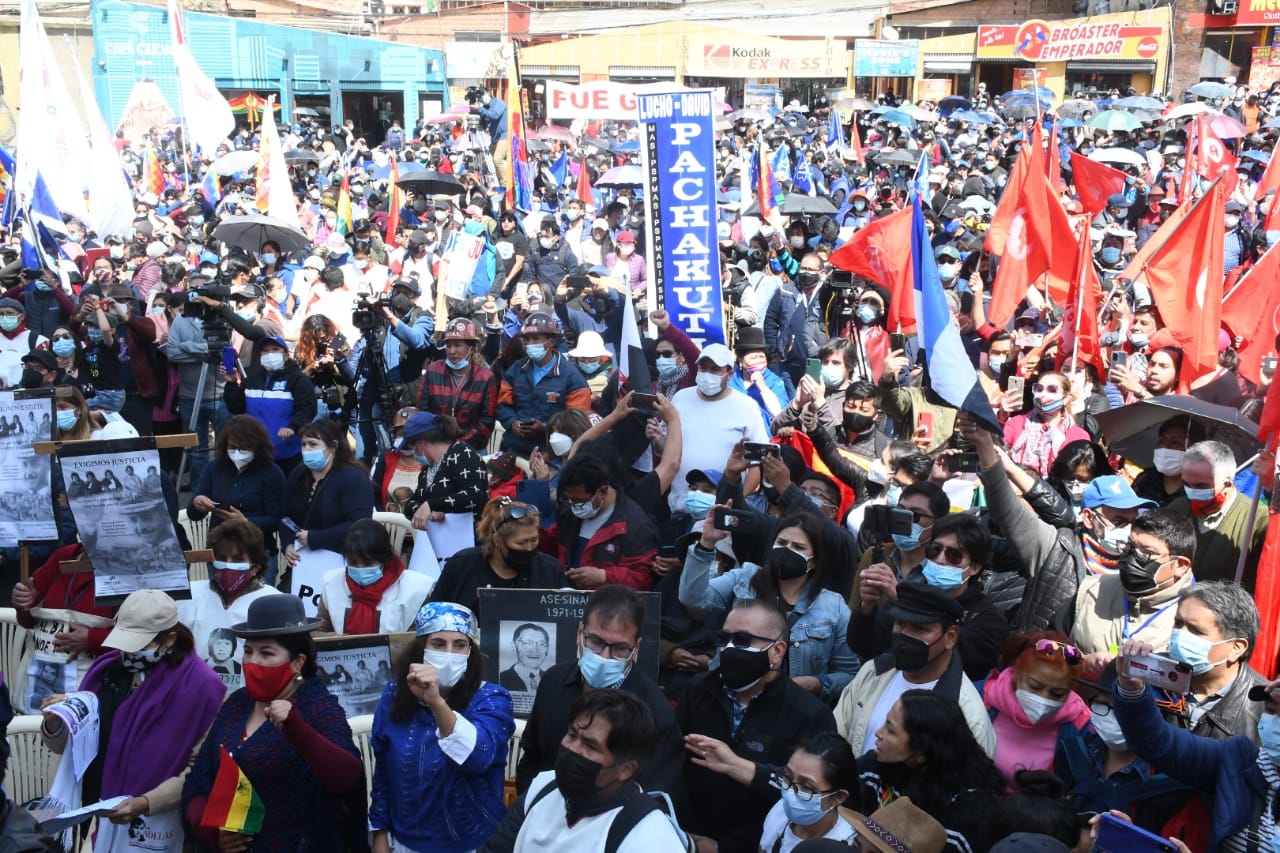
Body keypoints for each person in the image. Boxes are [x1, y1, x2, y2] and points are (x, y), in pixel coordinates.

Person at [43, 590, 225, 850]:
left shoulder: (203, 689)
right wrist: (57, 722)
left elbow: (199, 769)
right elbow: (72, 747)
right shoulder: (107, 673)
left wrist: (145, 803)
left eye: (139, 645)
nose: (128, 652)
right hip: (102, 818)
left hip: (161, 827)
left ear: (169, 639)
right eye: (123, 642)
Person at [181, 595, 364, 852]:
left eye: (266, 653)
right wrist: (211, 831)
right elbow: (199, 779)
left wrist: (296, 729)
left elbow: (347, 779)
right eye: (248, 651)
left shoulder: (319, 709)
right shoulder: (236, 704)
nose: (253, 661)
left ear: (298, 662)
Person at [961, 412, 1158, 631]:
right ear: (1090, 518)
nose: (1129, 530)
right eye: (1119, 521)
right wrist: (986, 447)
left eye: (1134, 521)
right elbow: (1008, 510)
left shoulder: (1143, 564)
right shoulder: (1057, 549)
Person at [675, 599, 838, 852]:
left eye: (742, 640)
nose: (729, 648)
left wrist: (725, 848)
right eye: (724, 638)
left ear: (777, 651)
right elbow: (674, 764)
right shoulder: (698, 690)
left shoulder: (810, 715)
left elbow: (804, 801)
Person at [515, 585, 685, 806]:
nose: (604, 656)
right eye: (595, 641)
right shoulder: (553, 681)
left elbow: (655, 798)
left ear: (636, 649)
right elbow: (532, 758)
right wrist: (530, 810)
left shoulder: (656, 716)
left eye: (620, 648)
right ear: (579, 633)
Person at [369, 602, 515, 853]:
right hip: (405, 840)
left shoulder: (492, 698)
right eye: (438, 644)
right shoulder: (395, 694)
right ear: (421, 648)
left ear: (471, 651)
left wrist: (435, 701)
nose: (449, 653)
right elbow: (383, 768)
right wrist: (380, 831)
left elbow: (477, 757)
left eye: (459, 645)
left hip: (473, 844)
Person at [1112, 637, 1280, 852]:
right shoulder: (1240, 760)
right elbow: (1156, 741)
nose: (1273, 723)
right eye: (1271, 710)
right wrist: (1132, 688)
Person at [679, 512, 859, 703]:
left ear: (814, 560)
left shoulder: (833, 607)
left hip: (790, 710)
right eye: (781, 543)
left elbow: (849, 674)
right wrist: (706, 543)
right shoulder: (744, 578)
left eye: (798, 547)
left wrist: (817, 683)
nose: (787, 550)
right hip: (727, 699)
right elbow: (693, 599)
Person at [481, 690, 689, 852]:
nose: (573, 748)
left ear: (626, 769)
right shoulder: (544, 787)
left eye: (590, 746)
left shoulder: (647, 838)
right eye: (572, 735)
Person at [834, 584, 996, 759]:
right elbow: (837, 735)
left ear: (950, 637)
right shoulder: (873, 672)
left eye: (920, 629)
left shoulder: (968, 714)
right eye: (901, 623)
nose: (905, 635)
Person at [850, 511, 1009, 682]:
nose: (940, 560)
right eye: (935, 550)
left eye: (954, 555)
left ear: (975, 567)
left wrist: (904, 602)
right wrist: (867, 608)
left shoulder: (989, 618)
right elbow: (863, 644)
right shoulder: (911, 594)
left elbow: (959, 658)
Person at [847, 690, 1006, 853]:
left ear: (921, 753)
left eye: (891, 730)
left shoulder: (968, 813)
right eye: (885, 723)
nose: (878, 733)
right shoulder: (874, 768)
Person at [176, 518, 286, 693]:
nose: (228, 565)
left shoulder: (274, 602)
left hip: (251, 701)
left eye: (237, 559)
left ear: (255, 567)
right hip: (196, 700)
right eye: (221, 558)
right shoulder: (190, 597)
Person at [1069, 508, 1196, 658]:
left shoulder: (1197, 618)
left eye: (1147, 553)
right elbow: (1050, 643)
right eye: (1130, 546)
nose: (1133, 557)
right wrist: (1081, 662)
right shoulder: (1091, 588)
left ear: (1180, 565)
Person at [668, 342, 771, 513]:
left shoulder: (747, 406)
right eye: (703, 368)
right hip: (680, 507)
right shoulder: (680, 398)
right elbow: (665, 448)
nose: (707, 374)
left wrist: (736, 502)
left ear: (729, 374)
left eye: (715, 369)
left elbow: (756, 464)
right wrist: (656, 438)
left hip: (724, 512)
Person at [982, 632, 1091, 787]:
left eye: (1057, 693)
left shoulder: (1082, 727)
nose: (1044, 698)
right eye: (1035, 686)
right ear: (1016, 674)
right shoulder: (982, 697)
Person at [1162, 580, 1265, 743]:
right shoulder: (1153, 675)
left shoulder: (1265, 710)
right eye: (1178, 623)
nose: (1180, 636)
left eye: (1196, 631)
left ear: (1236, 647)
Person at [541, 452, 659, 591]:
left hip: (608, 606)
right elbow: (550, 547)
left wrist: (603, 576)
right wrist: (529, 528)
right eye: (570, 499)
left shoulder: (636, 526)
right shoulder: (569, 514)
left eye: (579, 501)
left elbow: (643, 579)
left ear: (602, 491)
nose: (573, 505)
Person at [430, 497, 567, 613]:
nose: (530, 548)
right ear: (497, 541)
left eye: (534, 540)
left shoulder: (550, 569)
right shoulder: (461, 565)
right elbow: (433, 612)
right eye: (521, 543)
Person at [1168, 440, 1269, 588]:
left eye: (1201, 486)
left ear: (1227, 484)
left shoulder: (1258, 520)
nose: (1191, 492)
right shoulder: (1178, 508)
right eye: (1186, 484)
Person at [187, 414, 286, 565]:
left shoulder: (272, 473)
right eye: (232, 447)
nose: (237, 453)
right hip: (220, 553)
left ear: (257, 447)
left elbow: (276, 519)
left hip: (257, 554)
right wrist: (197, 503)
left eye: (244, 448)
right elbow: (192, 513)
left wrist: (245, 522)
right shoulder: (214, 468)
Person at [282, 419, 374, 569]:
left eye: (313, 444)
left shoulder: (354, 478)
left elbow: (359, 524)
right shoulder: (298, 473)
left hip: (341, 561)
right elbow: (285, 515)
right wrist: (288, 545)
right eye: (303, 444)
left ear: (333, 447)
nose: (306, 450)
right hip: (301, 563)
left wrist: (315, 538)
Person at [497, 311, 592, 457]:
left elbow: (578, 423)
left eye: (536, 339)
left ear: (551, 342)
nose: (530, 344)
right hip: (513, 447)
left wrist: (545, 427)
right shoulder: (515, 370)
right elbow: (502, 405)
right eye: (527, 339)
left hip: (552, 453)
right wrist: (512, 423)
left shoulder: (573, 378)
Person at [317, 518, 433, 635]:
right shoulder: (332, 583)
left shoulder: (416, 589)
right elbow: (319, 630)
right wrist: (341, 642)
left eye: (368, 563)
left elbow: (421, 638)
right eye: (353, 563)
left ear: (384, 559)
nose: (360, 569)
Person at [223, 336, 318, 472]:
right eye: (265, 351)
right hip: (254, 453)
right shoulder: (252, 379)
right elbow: (236, 408)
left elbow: (307, 408)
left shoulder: (298, 379)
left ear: (285, 355)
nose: (269, 354)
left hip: (287, 453)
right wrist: (231, 383)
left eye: (275, 349)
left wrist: (293, 427)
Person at [757, 732, 857, 851]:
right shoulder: (779, 812)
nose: (790, 793)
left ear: (838, 797)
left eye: (806, 787)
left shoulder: (845, 846)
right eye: (787, 777)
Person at [413, 317, 498, 450]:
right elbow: (422, 411)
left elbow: (487, 422)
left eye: (458, 345)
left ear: (473, 348)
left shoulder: (486, 378)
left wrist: (460, 445)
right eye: (448, 345)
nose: (452, 351)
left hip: (472, 448)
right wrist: (438, 442)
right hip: (436, 446)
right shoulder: (433, 370)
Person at [400, 411, 490, 530]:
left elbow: (474, 495)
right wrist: (425, 511)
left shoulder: (461, 453)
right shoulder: (428, 467)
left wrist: (432, 505)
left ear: (421, 444)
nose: (413, 453)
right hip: (438, 539)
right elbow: (413, 503)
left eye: (412, 447)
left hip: (470, 536)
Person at [1001, 371, 1091, 477]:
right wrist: (1002, 416)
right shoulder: (1017, 423)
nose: (1043, 394)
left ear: (1065, 398)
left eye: (1052, 390)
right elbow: (996, 451)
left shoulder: (1078, 436)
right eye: (1039, 389)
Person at [371, 406, 424, 512]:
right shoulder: (384, 460)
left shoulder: (431, 461)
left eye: (410, 434)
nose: (405, 439)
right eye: (400, 434)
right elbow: (372, 496)